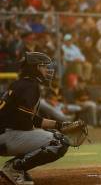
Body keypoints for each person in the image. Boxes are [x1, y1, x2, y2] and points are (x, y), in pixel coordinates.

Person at [0, 52, 71, 185]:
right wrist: (51, 131)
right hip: (6, 136)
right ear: (36, 68)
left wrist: (61, 125)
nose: (47, 70)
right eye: (44, 67)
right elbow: (24, 123)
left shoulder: (22, 84)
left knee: (54, 135)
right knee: (59, 142)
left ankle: (16, 167)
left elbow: (28, 118)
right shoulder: (30, 86)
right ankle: (14, 168)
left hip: (5, 134)